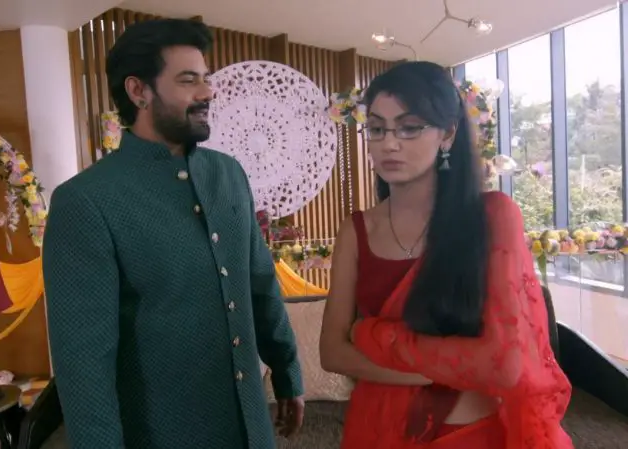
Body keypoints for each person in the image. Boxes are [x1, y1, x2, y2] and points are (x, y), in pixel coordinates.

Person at [42, 18, 304, 449]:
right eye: (188, 80)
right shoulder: (86, 201)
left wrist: (287, 372)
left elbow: (260, 284)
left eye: (205, 78)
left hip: (251, 426)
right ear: (138, 91)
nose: (207, 92)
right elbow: (84, 362)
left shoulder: (228, 174)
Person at [319, 61, 573, 449]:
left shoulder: (491, 217)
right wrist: (451, 368)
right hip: (376, 429)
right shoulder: (356, 231)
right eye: (377, 128)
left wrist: (372, 335)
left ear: (448, 133)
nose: (389, 143)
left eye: (409, 127)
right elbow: (332, 353)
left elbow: (506, 364)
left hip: (467, 434)